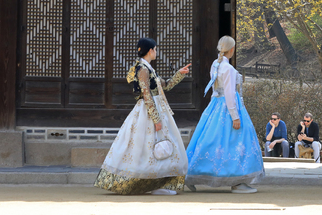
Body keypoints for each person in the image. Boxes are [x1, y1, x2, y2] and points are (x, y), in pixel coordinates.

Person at [94, 37, 191, 195]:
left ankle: (158, 182)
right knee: (149, 147)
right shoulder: (143, 69)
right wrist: (156, 118)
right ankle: (154, 184)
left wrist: (179, 74)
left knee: (156, 146)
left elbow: (164, 86)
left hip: (156, 108)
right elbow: (146, 95)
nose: (156, 52)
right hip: (148, 111)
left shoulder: (147, 68)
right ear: (151, 50)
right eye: (155, 49)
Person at [185, 36, 264, 193]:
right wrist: (235, 116)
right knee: (237, 142)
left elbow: (216, 89)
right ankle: (238, 181)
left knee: (209, 140)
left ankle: (191, 174)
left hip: (216, 105)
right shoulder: (227, 69)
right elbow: (229, 93)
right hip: (228, 106)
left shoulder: (216, 64)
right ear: (232, 50)